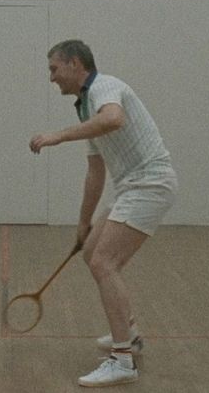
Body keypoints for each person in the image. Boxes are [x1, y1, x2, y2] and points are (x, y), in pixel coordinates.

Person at [29, 40, 177, 388]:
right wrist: (83, 223)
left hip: (150, 185)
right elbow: (95, 172)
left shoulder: (106, 87)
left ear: (76, 64)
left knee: (103, 264)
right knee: (94, 252)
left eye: (54, 68)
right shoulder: (85, 108)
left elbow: (113, 118)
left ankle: (123, 361)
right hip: (131, 188)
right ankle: (132, 335)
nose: (51, 78)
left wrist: (57, 137)